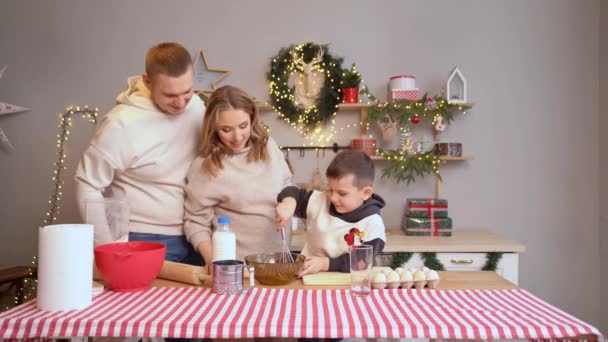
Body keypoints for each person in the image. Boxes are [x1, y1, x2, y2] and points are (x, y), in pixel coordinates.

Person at [75, 42, 205, 266]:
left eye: (187, 92)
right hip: (142, 239)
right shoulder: (121, 124)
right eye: (170, 95)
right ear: (147, 81)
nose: (181, 103)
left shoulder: (198, 107)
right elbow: (87, 184)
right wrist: (107, 247)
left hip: (198, 235)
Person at [183, 85, 292, 269]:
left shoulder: (268, 147)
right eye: (226, 129)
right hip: (235, 269)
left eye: (243, 126)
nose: (237, 137)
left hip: (279, 263)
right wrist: (213, 261)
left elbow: (288, 185)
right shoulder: (206, 166)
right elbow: (195, 223)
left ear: (252, 119)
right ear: (213, 127)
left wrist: (290, 201)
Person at [275, 150, 386, 277]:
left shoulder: (372, 224)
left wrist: (324, 264)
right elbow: (293, 192)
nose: (332, 197)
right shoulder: (320, 201)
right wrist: (289, 203)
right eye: (330, 189)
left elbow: (361, 261)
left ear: (365, 193)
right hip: (308, 280)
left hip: (347, 286)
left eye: (342, 193)